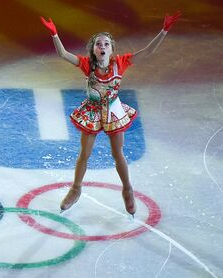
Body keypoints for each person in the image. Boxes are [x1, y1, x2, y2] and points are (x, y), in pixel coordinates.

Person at [40, 12, 181, 215]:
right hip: (93, 111)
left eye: (106, 44)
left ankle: (127, 189)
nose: (103, 46)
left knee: (118, 154)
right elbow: (63, 55)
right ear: (94, 50)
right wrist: (54, 34)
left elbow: (148, 51)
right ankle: (76, 189)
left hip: (113, 110)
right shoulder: (87, 65)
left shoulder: (120, 62)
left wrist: (164, 30)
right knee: (84, 154)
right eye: (99, 44)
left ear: (112, 49)